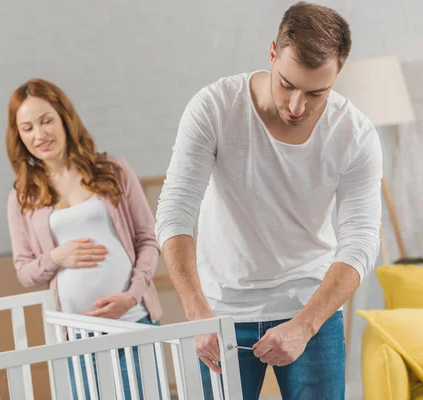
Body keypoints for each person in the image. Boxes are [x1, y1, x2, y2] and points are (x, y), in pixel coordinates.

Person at [155, 2, 382, 399]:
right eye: (287, 84)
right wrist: (196, 313)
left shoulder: (356, 135)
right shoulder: (213, 108)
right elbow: (175, 210)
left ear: (338, 73)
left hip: (311, 309)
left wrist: (306, 324)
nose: (297, 106)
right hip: (219, 314)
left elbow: (361, 241)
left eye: (316, 93)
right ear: (272, 53)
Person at [5, 78, 163, 399]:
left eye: (47, 121)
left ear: (64, 118)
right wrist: (56, 258)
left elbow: (148, 240)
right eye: (28, 128)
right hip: (74, 337)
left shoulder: (113, 170)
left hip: (133, 321)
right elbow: (24, 271)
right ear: (19, 136)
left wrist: (132, 296)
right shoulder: (23, 196)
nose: (40, 135)